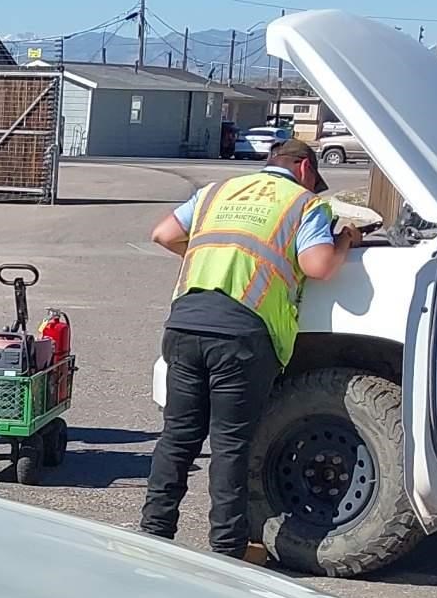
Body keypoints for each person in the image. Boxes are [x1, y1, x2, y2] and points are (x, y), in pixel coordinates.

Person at [140, 136, 360, 556]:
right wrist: (345, 239)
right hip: (242, 335)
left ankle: (154, 533)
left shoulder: (215, 192)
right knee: (230, 444)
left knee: (178, 437)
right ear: (304, 170)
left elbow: (163, 234)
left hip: (185, 324)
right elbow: (318, 265)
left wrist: (213, 255)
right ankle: (226, 548)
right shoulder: (304, 204)